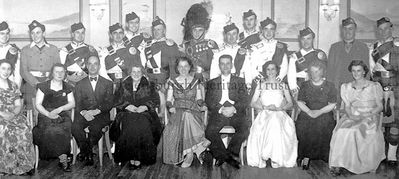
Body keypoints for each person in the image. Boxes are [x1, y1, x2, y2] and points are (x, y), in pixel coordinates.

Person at [329, 60, 385, 176]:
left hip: (369, 116)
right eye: (353, 71)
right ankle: (340, 163)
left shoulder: (374, 86)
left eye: (359, 70)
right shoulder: (346, 87)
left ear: (364, 71)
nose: (356, 73)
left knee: (356, 131)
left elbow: (380, 107)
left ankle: (359, 164)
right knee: (341, 131)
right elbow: (347, 107)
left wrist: (367, 114)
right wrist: (352, 116)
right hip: (352, 116)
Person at [246, 61, 297, 168]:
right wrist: (265, 107)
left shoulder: (283, 85)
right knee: (271, 121)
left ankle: (274, 157)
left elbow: (290, 103)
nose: (270, 72)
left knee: (275, 121)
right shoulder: (260, 85)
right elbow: (252, 103)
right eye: (268, 69)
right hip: (264, 114)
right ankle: (265, 156)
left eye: (273, 69)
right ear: (265, 71)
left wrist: (279, 108)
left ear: (277, 70)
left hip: (280, 114)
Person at [110, 64, 162, 169]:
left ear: (142, 73)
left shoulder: (150, 85)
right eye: (134, 71)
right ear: (130, 73)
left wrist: (145, 106)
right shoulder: (122, 84)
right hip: (126, 113)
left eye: (139, 72)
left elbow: (156, 101)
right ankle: (130, 157)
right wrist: (127, 106)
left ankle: (139, 158)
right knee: (130, 123)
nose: (136, 74)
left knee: (142, 123)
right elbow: (116, 100)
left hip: (146, 114)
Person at [163, 57, 209, 168]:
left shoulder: (195, 82)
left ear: (190, 67)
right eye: (180, 66)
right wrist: (170, 107)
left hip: (193, 110)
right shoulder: (172, 82)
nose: (183, 69)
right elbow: (169, 100)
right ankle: (200, 144)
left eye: (186, 66)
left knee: (188, 114)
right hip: (177, 110)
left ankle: (189, 155)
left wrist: (202, 105)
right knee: (185, 115)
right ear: (177, 68)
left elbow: (199, 99)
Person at [205, 54, 249, 169]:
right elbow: (209, 102)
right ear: (219, 65)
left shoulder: (240, 81)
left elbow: (245, 100)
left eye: (228, 63)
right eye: (222, 63)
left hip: (235, 112)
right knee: (210, 132)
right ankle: (226, 157)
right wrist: (221, 109)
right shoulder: (212, 82)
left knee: (244, 130)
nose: (225, 66)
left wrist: (234, 108)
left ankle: (226, 155)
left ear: (232, 65)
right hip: (219, 112)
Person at [33, 63, 75, 172]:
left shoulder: (68, 87)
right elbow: (38, 104)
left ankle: (63, 159)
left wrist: (60, 109)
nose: (60, 74)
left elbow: (72, 103)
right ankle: (61, 157)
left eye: (62, 71)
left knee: (64, 128)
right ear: (52, 73)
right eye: (57, 71)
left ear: (65, 73)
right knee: (50, 129)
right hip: (45, 113)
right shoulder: (43, 86)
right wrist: (48, 114)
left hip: (63, 114)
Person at [72, 56, 114, 166]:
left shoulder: (108, 83)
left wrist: (96, 111)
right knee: (75, 127)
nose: (92, 66)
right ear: (86, 66)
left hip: (101, 115)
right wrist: (84, 113)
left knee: (95, 128)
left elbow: (109, 103)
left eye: (95, 63)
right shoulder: (80, 83)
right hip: (84, 114)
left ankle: (86, 152)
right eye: (90, 64)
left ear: (99, 66)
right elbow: (77, 103)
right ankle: (88, 152)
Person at [296, 60, 337, 170]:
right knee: (304, 125)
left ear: (322, 72)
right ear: (309, 72)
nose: (315, 74)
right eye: (312, 72)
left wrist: (319, 112)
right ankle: (306, 156)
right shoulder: (304, 85)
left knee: (324, 124)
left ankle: (324, 155)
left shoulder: (330, 85)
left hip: (324, 112)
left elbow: (332, 103)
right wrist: (309, 111)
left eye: (317, 71)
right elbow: (300, 102)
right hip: (308, 111)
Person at [369, 17, 399, 166]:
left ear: (391, 29)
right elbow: (370, 71)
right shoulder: (373, 48)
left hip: (396, 87)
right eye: (380, 29)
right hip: (378, 87)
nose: (383, 32)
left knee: (394, 122)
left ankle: (392, 155)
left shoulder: (398, 44)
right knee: (378, 121)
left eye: (386, 28)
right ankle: (380, 153)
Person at [0, 59, 35, 175]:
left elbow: (18, 104)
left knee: (24, 128)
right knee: (6, 130)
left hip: (13, 114)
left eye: (9, 69)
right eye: (3, 68)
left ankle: (24, 165)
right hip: (0, 115)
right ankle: (5, 166)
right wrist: (3, 114)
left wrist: (13, 114)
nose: (6, 71)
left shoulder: (13, 85)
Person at [326, 17, 369, 106]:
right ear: (342, 30)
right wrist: (330, 91)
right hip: (338, 88)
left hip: (357, 88)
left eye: (350, 29)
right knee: (338, 115)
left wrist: (365, 89)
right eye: (345, 29)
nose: (347, 31)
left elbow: (366, 71)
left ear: (355, 30)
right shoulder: (334, 47)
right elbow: (329, 72)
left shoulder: (363, 47)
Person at [20, 20, 61, 109]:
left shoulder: (53, 49)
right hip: (31, 84)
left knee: (50, 110)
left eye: (38, 32)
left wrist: (48, 82)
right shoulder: (25, 50)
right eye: (32, 33)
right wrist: (36, 83)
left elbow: (58, 69)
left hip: (50, 83)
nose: (35, 36)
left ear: (44, 33)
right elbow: (23, 71)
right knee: (32, 113)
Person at [242, 17, 288, 87]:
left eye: (271, 29)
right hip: (260, 80)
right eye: (266, 29)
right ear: (262, 30)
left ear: (275, 31)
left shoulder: (281, 46)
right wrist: (261, 81)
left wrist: (277, 80)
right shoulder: (255, 47)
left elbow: (284, 67)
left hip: (277, 80)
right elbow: (252, 67)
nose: (268, 32)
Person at [181, 2, 218, 81]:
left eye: (200, 30)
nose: (197, 33)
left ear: (205, 31)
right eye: (194, 30)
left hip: (207, 81)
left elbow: (216, 66)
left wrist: (206, 75)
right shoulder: (185, 46)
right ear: (191, 30)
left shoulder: (211, 45)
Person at [287, 27, 327, 95]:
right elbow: (291, 77)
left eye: (308, 38)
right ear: (300, 40)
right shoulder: (295, 57)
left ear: (313, 40)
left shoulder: (319, 54)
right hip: (300, 87)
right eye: (303, 39)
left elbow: (325, 74)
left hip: (318, 87)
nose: (306, 42)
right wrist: (295, 92)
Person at [0, 21, 21, 87]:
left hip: (9, 86)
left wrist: (17, 89)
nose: (5, 36)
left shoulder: (14, 50)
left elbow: (18, 73)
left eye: (7, 33)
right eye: (2, 33)